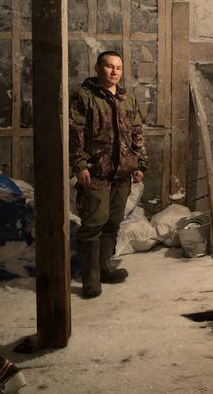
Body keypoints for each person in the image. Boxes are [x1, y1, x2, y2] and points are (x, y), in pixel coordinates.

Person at [70, 51, 147, 298]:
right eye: (109, 66)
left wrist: (139, 164)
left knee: (113, 221)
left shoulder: (128, 99)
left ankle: (105, 269)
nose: (114, 72)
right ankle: (91, 280)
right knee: (94, 223)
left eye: (118, 68)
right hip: (96, 172)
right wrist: (80, 164)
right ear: (97, 68)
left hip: (122, 172)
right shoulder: (84, 96)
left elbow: (137, 132)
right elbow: (74, 132)